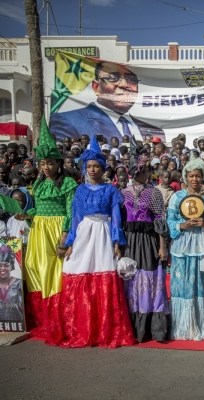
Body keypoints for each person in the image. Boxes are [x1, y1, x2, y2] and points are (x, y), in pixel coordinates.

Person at [58, 135, 134, 348]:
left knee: (103, 271)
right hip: (84, 234)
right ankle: (82, 328)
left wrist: (117, 241)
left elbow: (116, 217)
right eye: (89, 166)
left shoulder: (111, 190)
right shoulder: (80, 190)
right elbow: (75, 218)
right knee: (78, 269)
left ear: (103, 169)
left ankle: (104, 329)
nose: (92, 170)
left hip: (102, 233)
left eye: (95, 166)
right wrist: (71, 242)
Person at [16, 120, 78, 343]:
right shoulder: (39, 184)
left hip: (55, 230)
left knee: (55, 274)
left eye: (49, 163)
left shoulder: (68, 183)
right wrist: (26, 214)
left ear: (58, 163)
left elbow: (71, 211)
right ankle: (43, 319)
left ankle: (60, 319)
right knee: (35, 268)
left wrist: (64, 236)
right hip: (39, 231)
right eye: (42, 164)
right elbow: (37, 207)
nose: (45, 167)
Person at [167, 152, 204, 340]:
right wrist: (182, 225)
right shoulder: (177, 197)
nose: (195, 179)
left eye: (198, 175)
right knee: (184, 285)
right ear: (185, 177)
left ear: (203, 177)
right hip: (183, 246)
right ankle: (184, 328)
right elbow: (170, 221)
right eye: (191, 176)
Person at [50, 61, 165, 142]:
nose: (124, 85)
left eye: (131, 79)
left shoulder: (154, 131)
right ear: (96, 87)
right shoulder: (66, 121)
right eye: (113, 78)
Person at [121, 153, 170, 342]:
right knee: (132, 281)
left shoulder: (154, 192)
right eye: (143, 171)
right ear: (134, 172)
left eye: (148, 170)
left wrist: (162, 246)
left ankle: (154, 328)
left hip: (149, 242)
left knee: (151, 279)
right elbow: (120, 220)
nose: (146, 174)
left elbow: (159, 219)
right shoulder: (123, 192)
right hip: (130, 242)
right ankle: (135, 329)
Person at [0, 244, 24, 322]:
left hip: (17, 328)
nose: (3, 268)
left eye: (6, 265)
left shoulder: (19, 284)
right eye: (0, 265)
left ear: (12, 267)